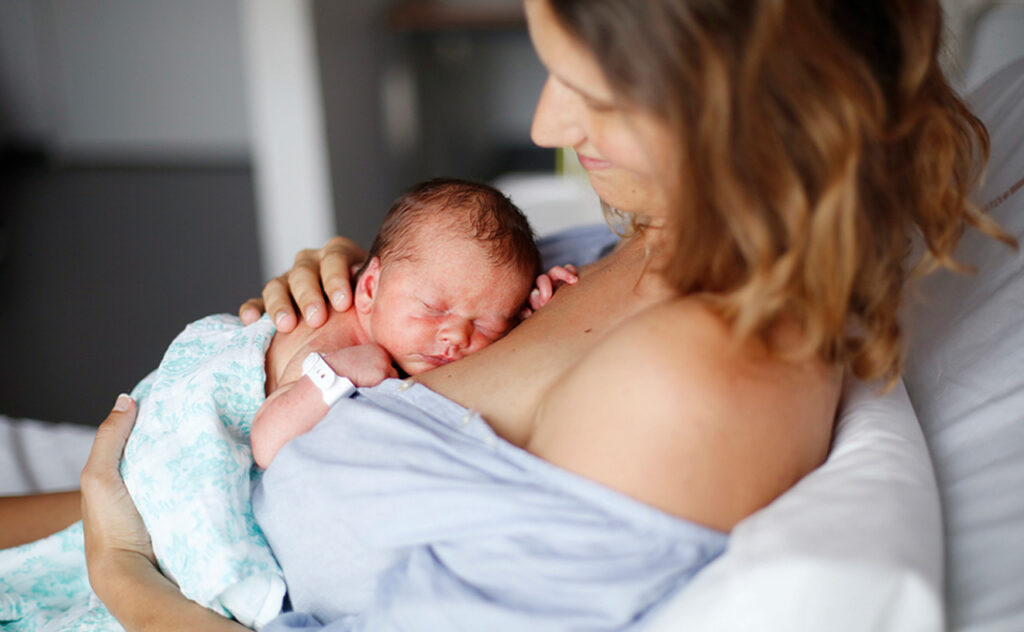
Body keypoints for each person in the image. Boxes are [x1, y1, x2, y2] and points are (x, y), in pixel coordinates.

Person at [22, 0, 1015, 630]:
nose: (544, 126)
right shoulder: (642, 245)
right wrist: (357, 294)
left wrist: (127, 579)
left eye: (591, 92)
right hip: (169, 505)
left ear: (742, 107)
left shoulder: (693, 386)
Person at [0, 177, 572, 629]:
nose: (454, 339)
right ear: (368, 287)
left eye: (487, 324)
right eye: (434, 310)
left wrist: (530, 317)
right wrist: (331, 380)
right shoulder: (338, 342)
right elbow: (270, 440)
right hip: (194, 428)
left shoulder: (421, 320)